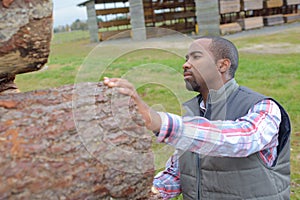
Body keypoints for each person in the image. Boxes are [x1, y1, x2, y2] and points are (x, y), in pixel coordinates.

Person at [103, 36, 291, 200]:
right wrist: (144, 193)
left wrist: (157, 121)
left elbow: (239, 139)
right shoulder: (193, 113)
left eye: (196, 57)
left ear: (222, 65)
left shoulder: (263, 107)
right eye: (186, 58)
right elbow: (179, 172)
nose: (185, 63)